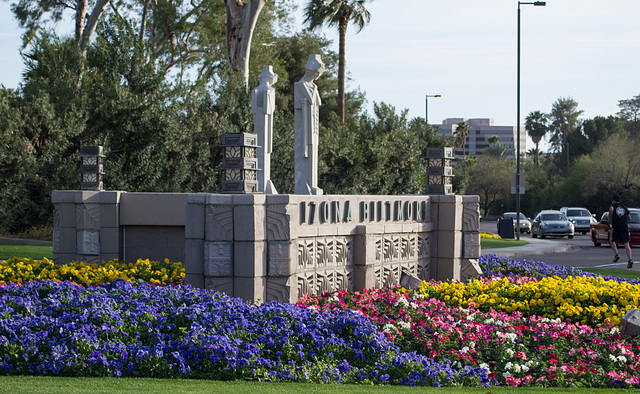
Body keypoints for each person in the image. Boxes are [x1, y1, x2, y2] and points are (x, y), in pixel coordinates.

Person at [608, 194, 633, 268]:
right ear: (620, 201)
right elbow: (629, 218)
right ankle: (630, 259)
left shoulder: (613, 206)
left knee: (612, 240)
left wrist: (609, 217)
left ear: (613, 200)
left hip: (616, 227)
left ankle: (616, 254)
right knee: (626, 244)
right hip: (624, 227)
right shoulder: (624, 207)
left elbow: (611, 209)